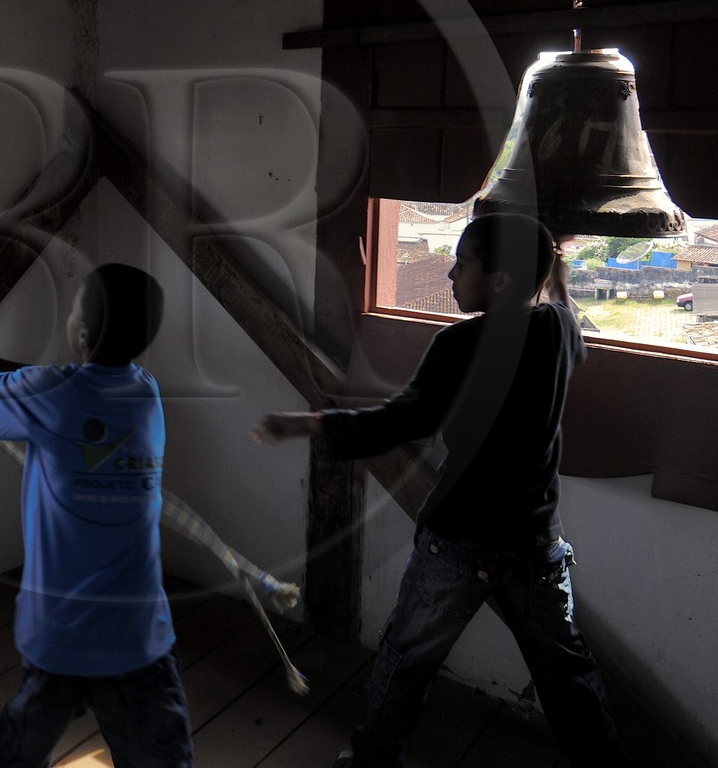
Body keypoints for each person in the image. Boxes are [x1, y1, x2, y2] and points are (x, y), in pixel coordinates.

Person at [251, 212, 627, 767]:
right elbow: (557, 300)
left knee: (405, 663)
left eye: (462, 264)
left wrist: (305, 424)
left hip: (460, 539)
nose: (450, 275)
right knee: (567, 673)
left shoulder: (460, 343)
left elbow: (400, 422)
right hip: (535, 540)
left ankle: (372, 763)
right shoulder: (561, 331)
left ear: (499, 281)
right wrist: (551, 262)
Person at [0, 262, 194, 768]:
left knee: (17, 751)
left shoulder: (52, 395)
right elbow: (30, 380)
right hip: (139, 636)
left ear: (80, 333)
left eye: (74, 308)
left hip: (62, 633)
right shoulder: (144, 391)